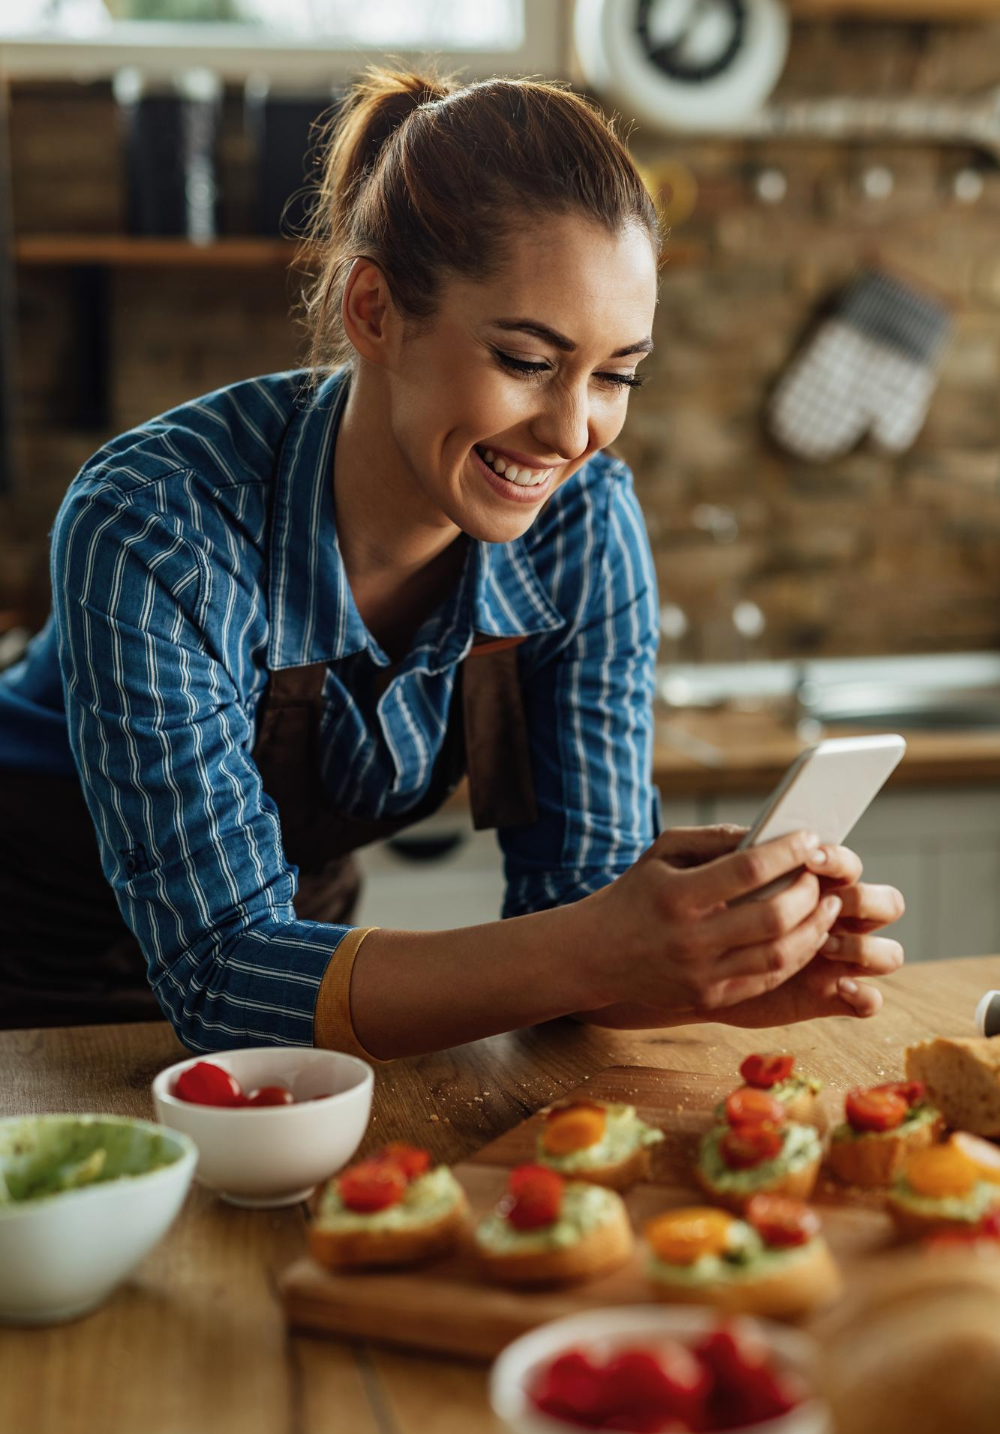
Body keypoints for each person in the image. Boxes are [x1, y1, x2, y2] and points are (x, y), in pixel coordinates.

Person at [0, 69, 904, 1058]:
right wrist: (602, 950)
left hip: (301, 971)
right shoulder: (156, 520)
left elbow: (578, 908)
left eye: (616, 375)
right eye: (524, 360)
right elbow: (221, 972)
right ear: (375, 311)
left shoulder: (584, 527)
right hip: (39, 991)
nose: (572, 432)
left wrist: (706, 967)